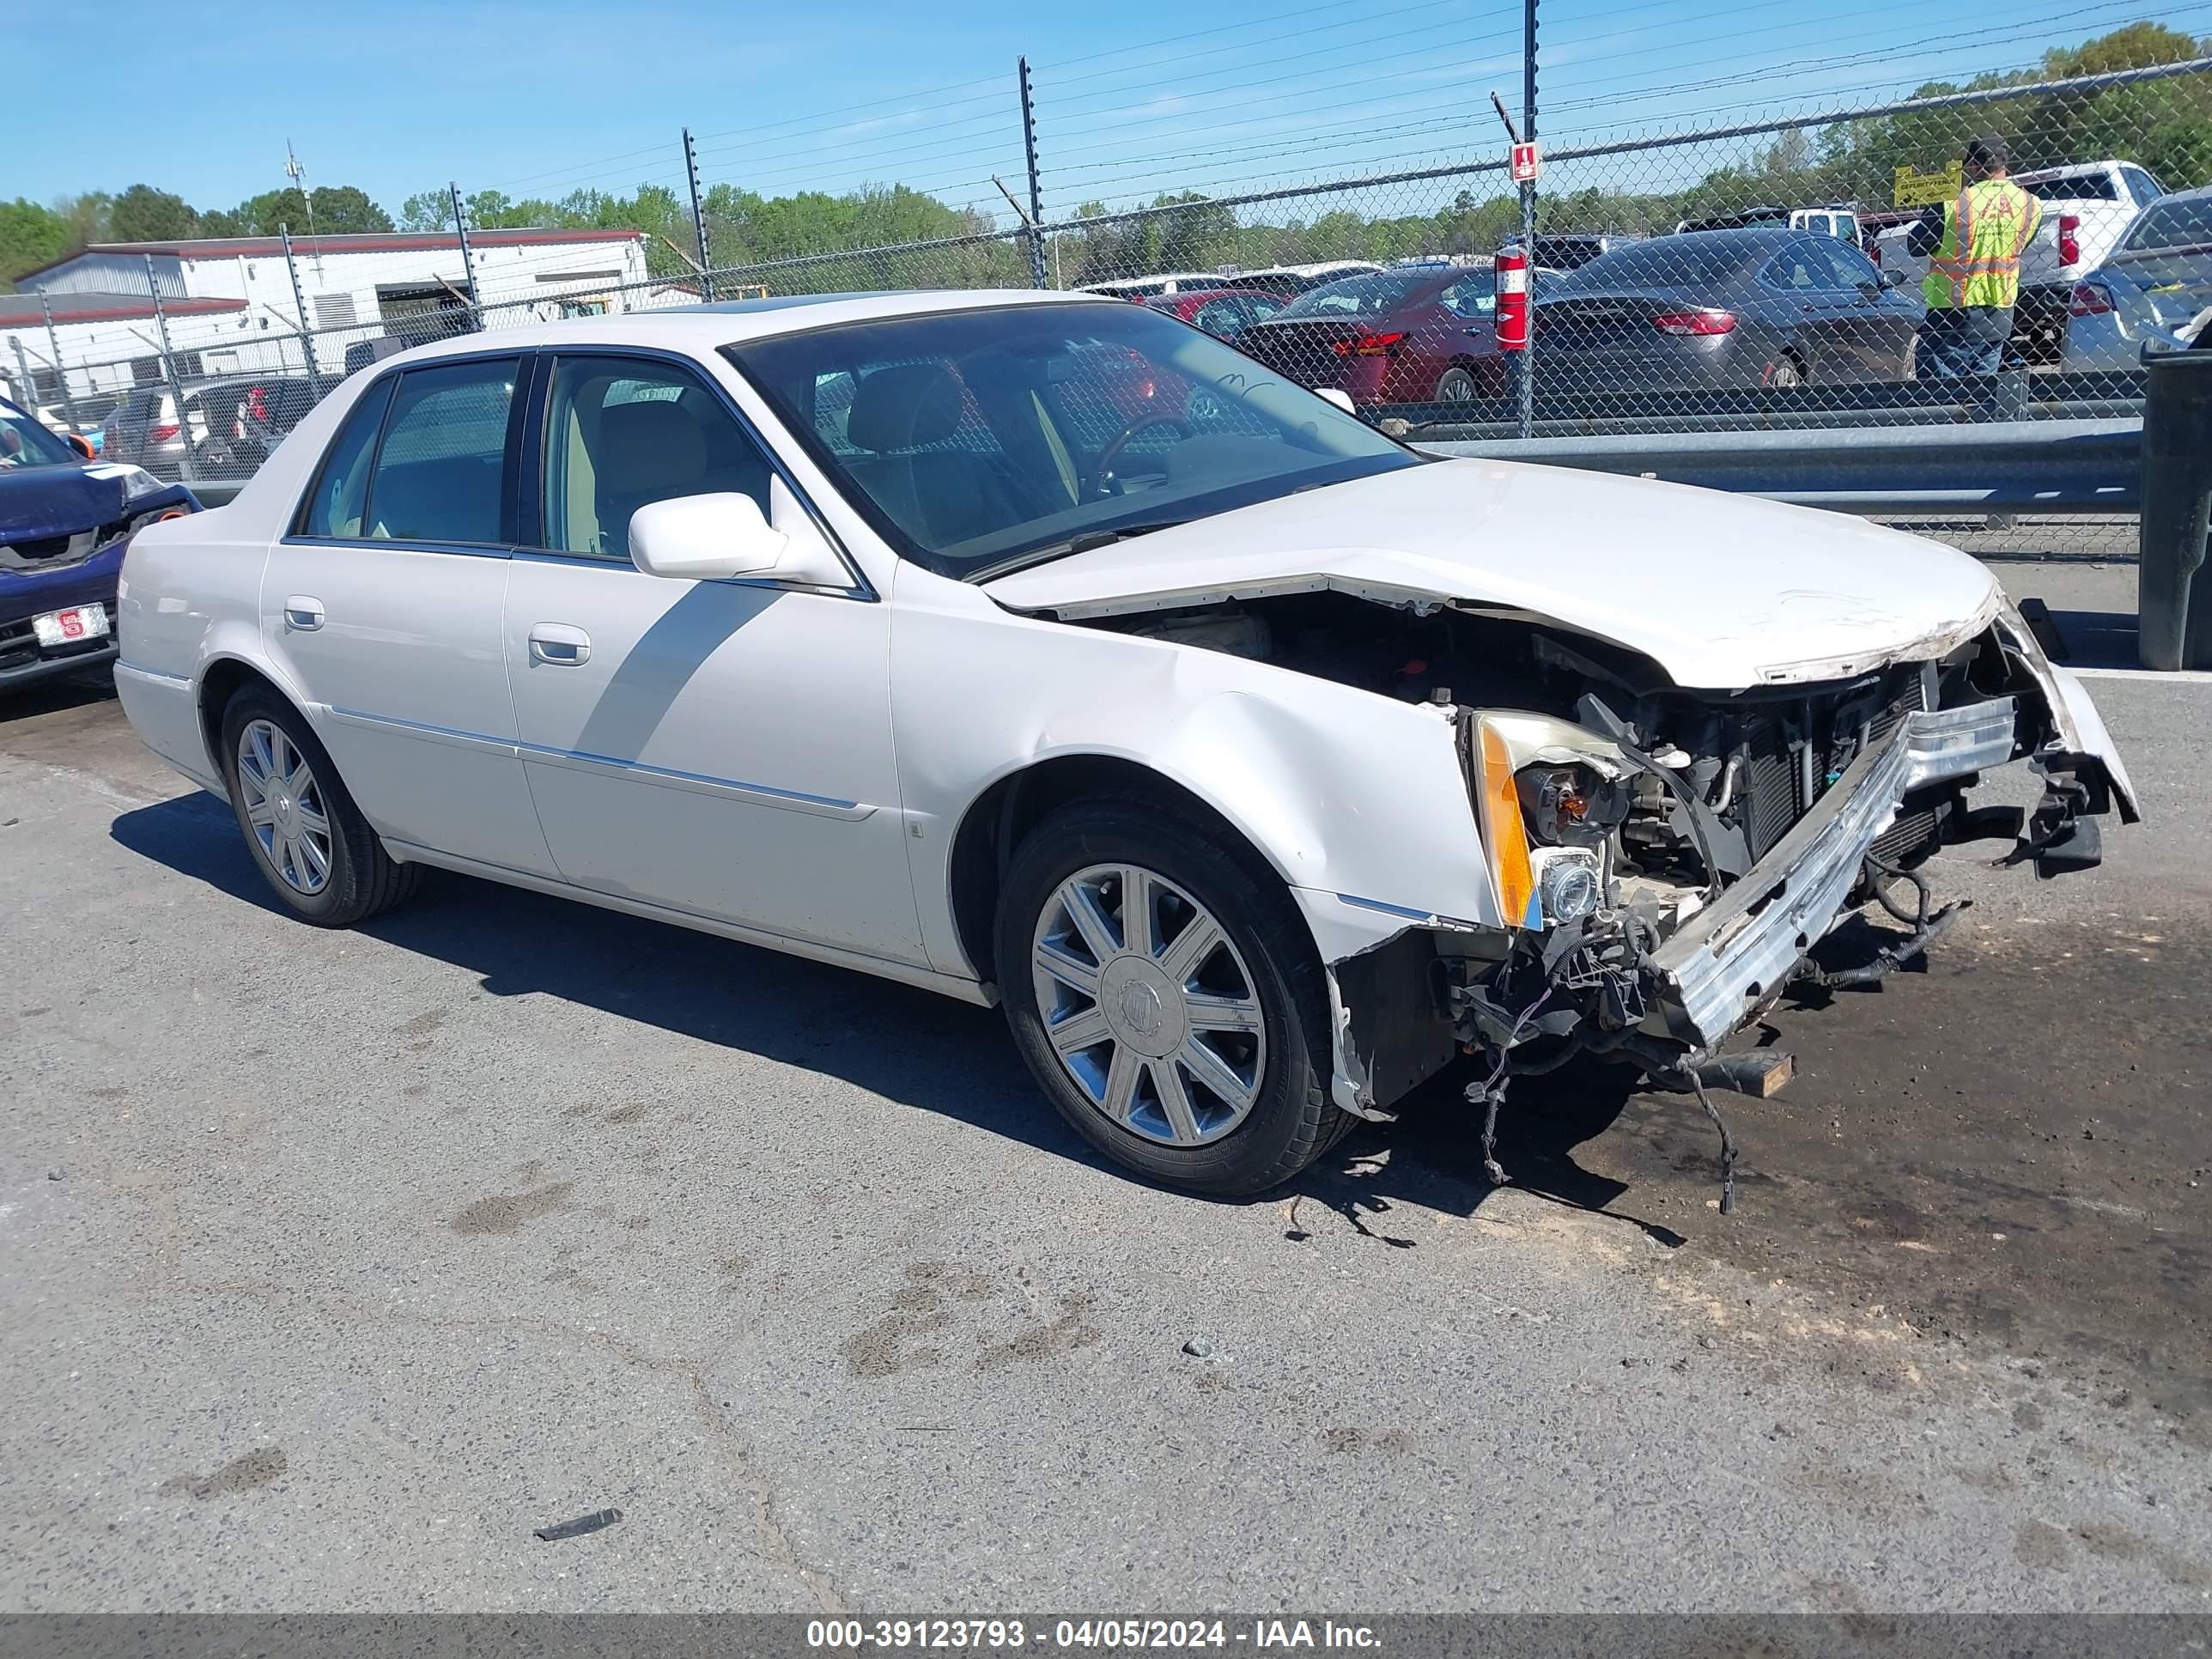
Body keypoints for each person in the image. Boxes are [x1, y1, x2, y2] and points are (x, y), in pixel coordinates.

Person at [1908, 135, 2042, 379]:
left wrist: (1931, 205)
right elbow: (2021, 244)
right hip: (1998, 315)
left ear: (1972, 166)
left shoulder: (1952, 203)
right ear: (2004, 165)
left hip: (1950, 315)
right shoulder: (2030, 204)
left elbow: (1916, 245)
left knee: (1939, 399)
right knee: (1982, 396)